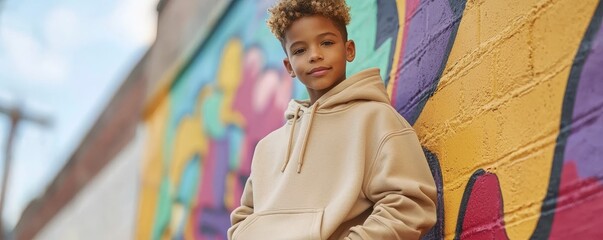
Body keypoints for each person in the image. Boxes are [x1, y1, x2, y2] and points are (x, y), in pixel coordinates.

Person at [228, 1, 436, 239]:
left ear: (349, 50)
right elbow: (244, 218)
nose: (315, 55)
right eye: (299, 50)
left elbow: (410, 205)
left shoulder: (376, 120)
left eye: (326, 43)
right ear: (289, 66)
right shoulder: (267, 147)